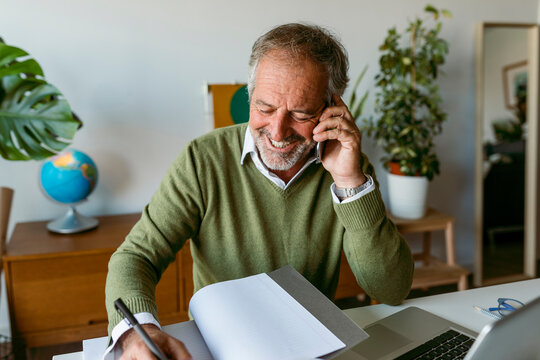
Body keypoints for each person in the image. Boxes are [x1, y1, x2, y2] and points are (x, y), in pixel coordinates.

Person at [105, 23, 414, 360]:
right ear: (249, 96)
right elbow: (136, 257)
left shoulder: (348, 166)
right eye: (265, 108)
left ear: (331, 109)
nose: (278, 131)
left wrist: (350, 182)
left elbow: (390, 289)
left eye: (300, 113)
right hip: (219, 350)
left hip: (313, 349)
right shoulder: (202, 159)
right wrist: (139, 331)